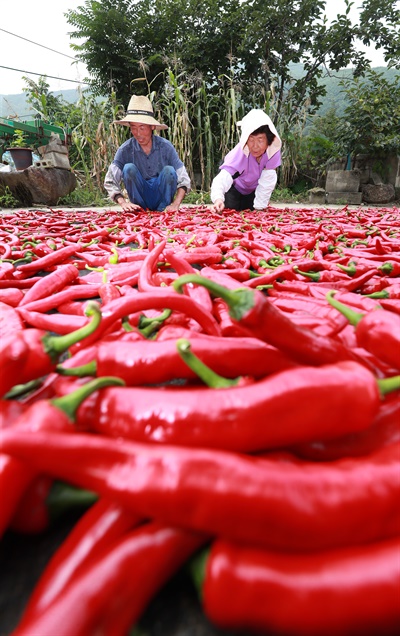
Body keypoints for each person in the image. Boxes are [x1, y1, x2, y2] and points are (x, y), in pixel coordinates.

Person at [104, 95, 190, 212]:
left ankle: (162, 208)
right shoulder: (125, 150)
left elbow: (184, 178)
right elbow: (110, 180)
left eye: (142, 128)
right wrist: (123, 202)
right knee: (129, 168)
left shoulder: (165, 147)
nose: (137, 133)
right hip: (139, 203)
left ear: (152, 127)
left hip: (162, 199)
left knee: (169, 171)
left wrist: (176, 204)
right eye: (133, 127)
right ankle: (140, 209)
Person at [210, 109, 282, 212]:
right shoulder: (240, 153)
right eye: (251, 140)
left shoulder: (272, 152)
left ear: (269, 140)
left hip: (252, 189)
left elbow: (267, 180)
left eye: (260, 140)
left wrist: (259, 207)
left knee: (252, 210)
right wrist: (218, 199)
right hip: (234, 187)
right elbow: (223, 177)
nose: (255, 146)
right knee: (229, 209)